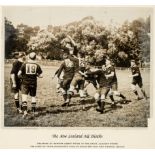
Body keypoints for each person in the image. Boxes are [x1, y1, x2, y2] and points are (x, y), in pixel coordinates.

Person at [18, 52, 43, 118]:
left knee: (24, 97)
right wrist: (36, 74)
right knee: (33, 97)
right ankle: (34, 112)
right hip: (33, 83)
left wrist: (22, 78)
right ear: (35, 57)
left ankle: (25, 111)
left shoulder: (24, 64)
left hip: (25, 83)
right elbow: (41, 75)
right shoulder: (37, 65)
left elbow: (18, 74)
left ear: (28, 57)